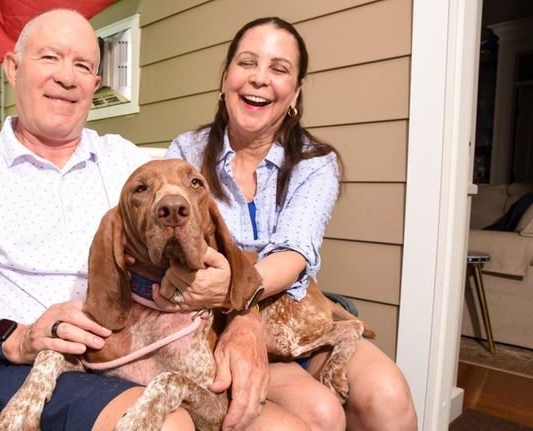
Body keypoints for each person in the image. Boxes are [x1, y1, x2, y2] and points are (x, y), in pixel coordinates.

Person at [0, 8, 306, 431]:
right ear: (13, 68)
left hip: (134, 349)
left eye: (83, 65)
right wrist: (18, 337)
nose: (66, 76)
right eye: (50, 58)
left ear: (95, 85)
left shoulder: (132, 166)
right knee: (167, 426)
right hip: (22, 366)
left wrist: (245, 323)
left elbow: (214, 248)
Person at [159, 16, 419, 431]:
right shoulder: (185, 151)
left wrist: (233, 288)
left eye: (279, 69)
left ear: (294, 93)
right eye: (247, 63)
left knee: (390, 397)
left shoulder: (316, 162)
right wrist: (235, 310)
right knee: (322, 413)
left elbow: (293, 254)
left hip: (297, 313)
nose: (260, 79)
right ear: (225, 77)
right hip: (212, 322)